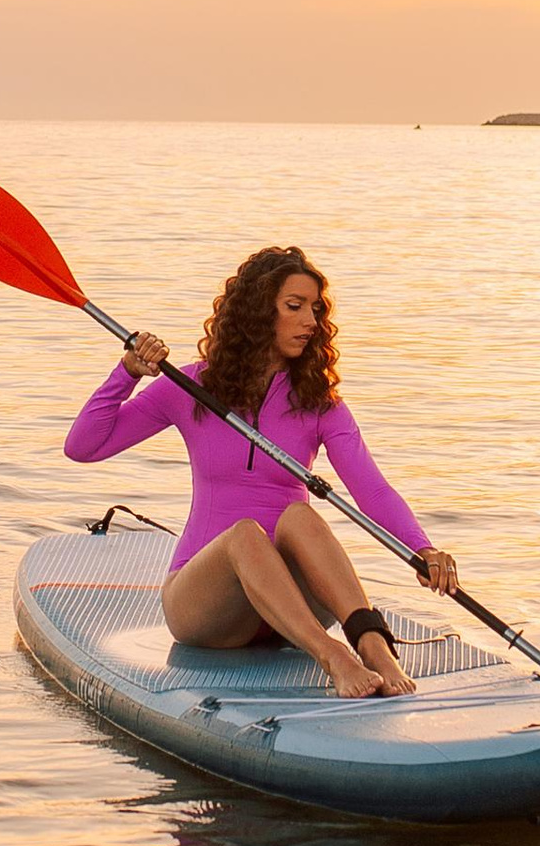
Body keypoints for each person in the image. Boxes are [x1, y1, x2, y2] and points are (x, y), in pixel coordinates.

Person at [63, 244, 460, 700]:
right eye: (294, 306)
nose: (310, 321)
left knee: (300, 516)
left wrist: (422, 549)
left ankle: (374, 647)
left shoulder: (318, 403)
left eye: (315, 309)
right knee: (245, 535)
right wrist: (127, 373)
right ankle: (332, 654)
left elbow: (371, 489)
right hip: (210, 608)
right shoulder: (191, 387)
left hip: (294, 605)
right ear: (257, 312)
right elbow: (84, 447)